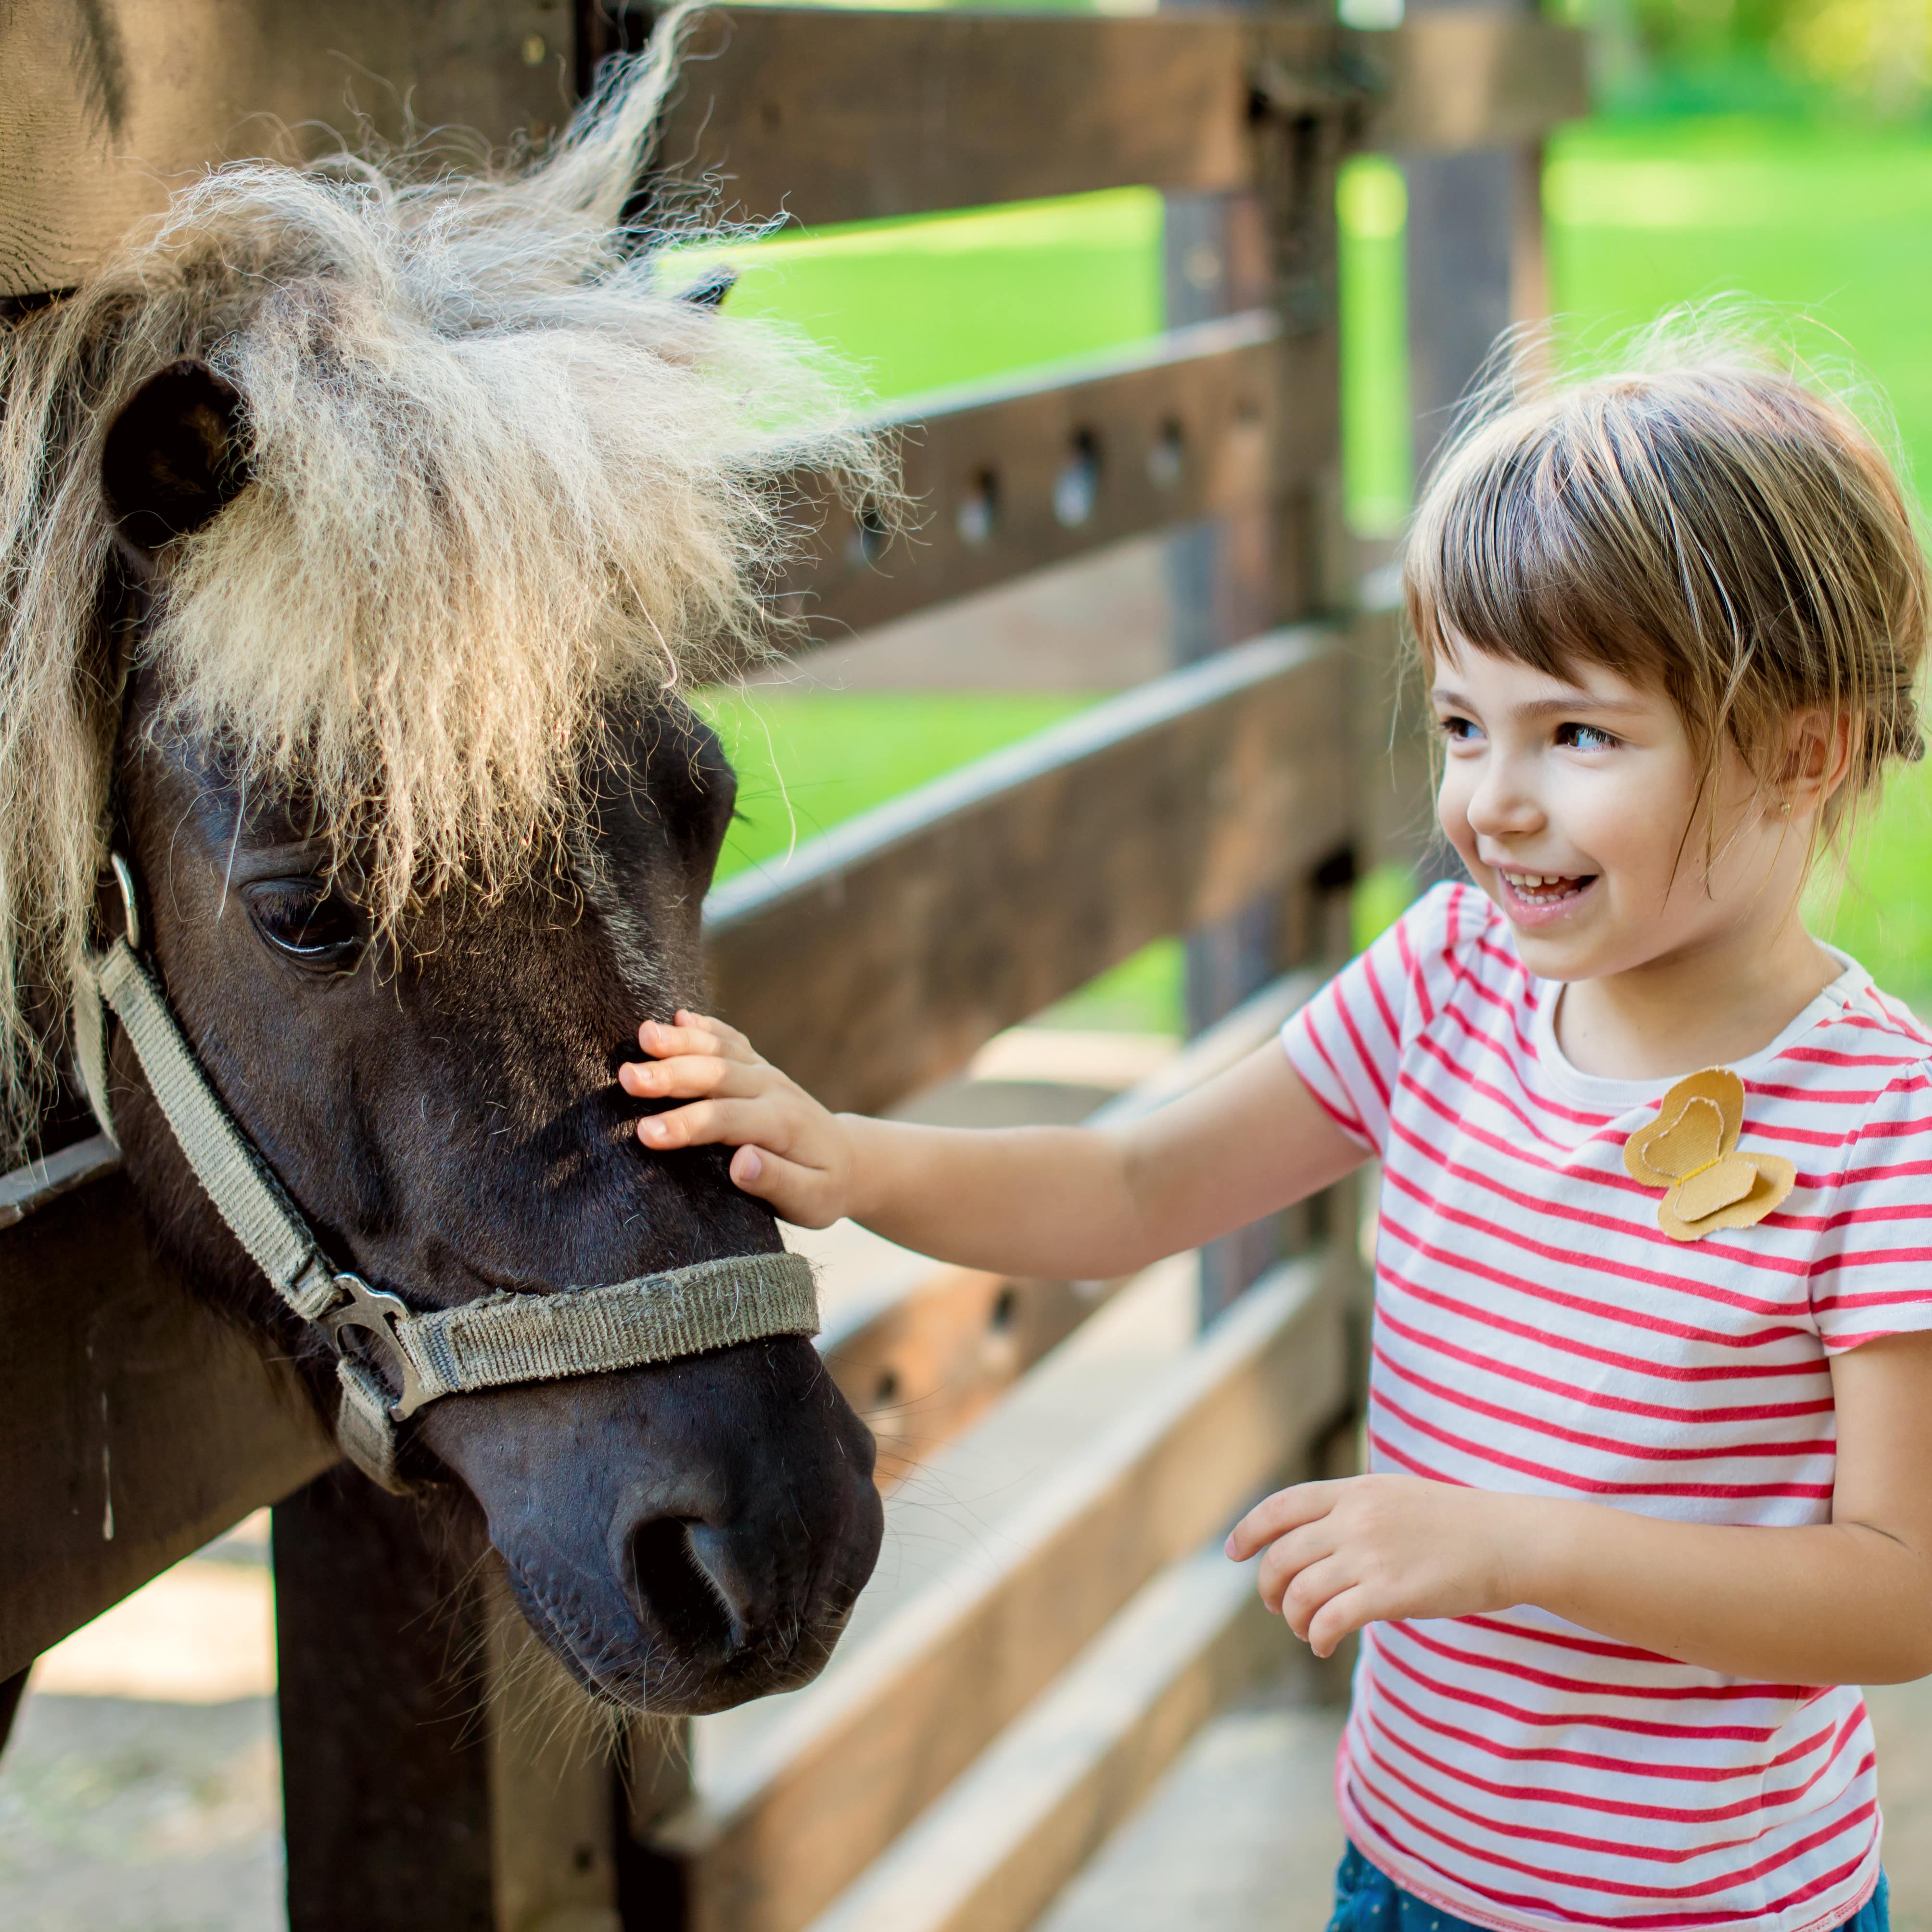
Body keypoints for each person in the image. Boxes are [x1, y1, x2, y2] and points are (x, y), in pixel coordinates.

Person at [617, 324, 1932, 1931]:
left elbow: (1897, 1588)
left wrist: (1514, 1548)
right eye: (1464, 725)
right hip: (1407, 1872)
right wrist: (851, 1155)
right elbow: (1134, 1183)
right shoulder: (1454, 984)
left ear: (1804, 752)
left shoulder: (1881, 1126)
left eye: (1578, 735)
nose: (1493, 803)